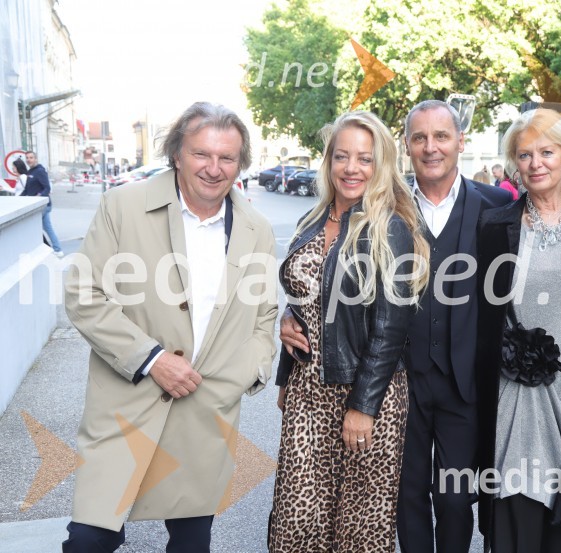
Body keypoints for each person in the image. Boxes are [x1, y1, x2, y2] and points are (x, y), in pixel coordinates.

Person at [62, 102, 279, 552]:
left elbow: (264, 317)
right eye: (201, 154)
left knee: (191, 544)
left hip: (205, 411)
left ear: (241, 163)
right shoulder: (122, 206)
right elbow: (84, 294)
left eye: (227, 158)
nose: (214, 169)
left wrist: (241, 377)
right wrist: (151, 359)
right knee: (90, 540)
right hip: (127, 404)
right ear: (177, 154)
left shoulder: (257, 229)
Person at [268, 111, 429, 553]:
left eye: (365, 158)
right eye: (342, 156)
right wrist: (286, 370)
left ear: (381, 165)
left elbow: (390, 327)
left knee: (359, 525)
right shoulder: (312, 220)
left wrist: (362, 406)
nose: (352, 168)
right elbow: (306, 298)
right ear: (328, 161)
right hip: (308, 390)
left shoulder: (388, 226)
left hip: (365, 391)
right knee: (297, 516)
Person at [476, 108, 561, 552]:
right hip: (512, 398)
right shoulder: (495, 226)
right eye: (524, 154)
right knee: (514, 512)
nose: (536, 163)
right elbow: (480, 316)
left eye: (546, 152)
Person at [396, 100, 512, 553]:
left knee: (455, 497)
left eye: (441, 136)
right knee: (407, 495)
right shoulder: (387, 205)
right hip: (402, 379)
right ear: (406, 145)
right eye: (420, 137)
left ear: (460, 142)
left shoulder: (498, 205)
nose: (431, 147)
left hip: (466, 383)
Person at [20, 150, 63, 257]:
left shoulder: (40, 171)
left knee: (32, 226)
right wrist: (17, 199)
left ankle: (42, 250)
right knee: (47, 228)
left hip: (43, 206)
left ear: (36, 159)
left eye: (31, 158)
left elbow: (47, 188)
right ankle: (57, 250)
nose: (29, 160)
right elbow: (26, 190)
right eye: (27, 158)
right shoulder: (30, 172)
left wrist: (38, 197)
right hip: (38, 205)